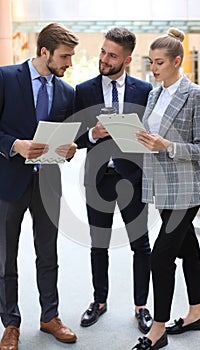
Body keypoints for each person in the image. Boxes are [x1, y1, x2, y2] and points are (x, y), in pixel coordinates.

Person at [131, 27, 200, 350]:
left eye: (160, 62)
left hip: (185, 190)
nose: (154, 68)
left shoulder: (197, 95)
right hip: (161, 189)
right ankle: (196, 313)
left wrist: (168, 146)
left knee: (161, 257)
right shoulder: (154, 93)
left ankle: (158, 330)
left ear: (178, 61)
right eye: (151, 62)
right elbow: (154, 137)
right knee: (188, 248)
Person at [0, 23, 79, 349]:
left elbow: (69, 137)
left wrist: (72, 147)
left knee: (48, 254)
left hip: (48, 183)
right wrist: (14, 145)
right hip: (9, 183)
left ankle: (50, 316)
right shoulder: (5, 78)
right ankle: (11, 323)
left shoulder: (66, 92)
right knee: (6, 258)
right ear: (44, 52)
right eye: (64, 56)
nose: (69, 63)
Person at [74, 27, 153, 333]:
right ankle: (99, 301)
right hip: (98, 178)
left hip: (132, 177)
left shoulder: (144, 90)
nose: (104, 59)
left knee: (140, 246)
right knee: (98, 244)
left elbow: (153, 135)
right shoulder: (84, 90)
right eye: (103, 52)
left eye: (112, 55)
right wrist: (94, 133)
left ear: (127, 59)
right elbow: (76, 137)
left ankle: (141, 306)